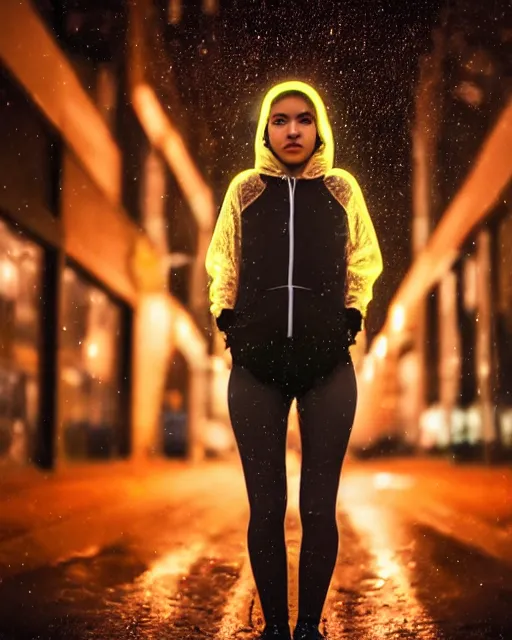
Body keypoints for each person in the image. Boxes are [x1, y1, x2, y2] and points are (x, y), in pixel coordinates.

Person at [205, 80, 383, 640]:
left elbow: (364, 259)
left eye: (304, 119)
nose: (292, 130)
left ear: (319, 127)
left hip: (327, 365)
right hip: (255, 366)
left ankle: (308, 627)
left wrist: (351, 316)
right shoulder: (245, 190)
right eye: (279, 120)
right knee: (265, 507)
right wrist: (227, 320)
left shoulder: (341, 189)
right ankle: (275, 629)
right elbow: (222, 262)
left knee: (318, 507)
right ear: (265, 129)